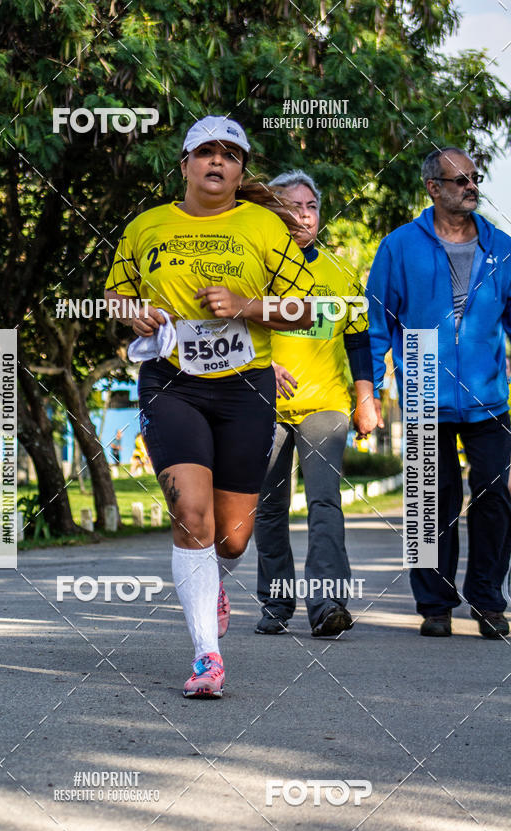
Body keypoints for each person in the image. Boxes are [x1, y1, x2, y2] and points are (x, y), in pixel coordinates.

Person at [104, 116, 316, 696]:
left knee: (233, 538)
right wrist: (131, 313)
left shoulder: (265, 227)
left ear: (241, 169)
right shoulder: (147, 227)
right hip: (171, 382)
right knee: (190, 515)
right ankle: (206, 656)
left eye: (230, 155)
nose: (216, 163)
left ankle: (212, 582)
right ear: (185, 163)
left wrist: (247, 304)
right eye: (205, 153)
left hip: (246, 387)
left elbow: (306, 311)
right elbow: (114, 293)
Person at [368, 147, 511, 639]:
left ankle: (489, 601)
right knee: (430, 501)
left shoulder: (503, 247)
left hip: (490, 398)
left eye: (474, 177)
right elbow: (376, 327)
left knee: (495, 496)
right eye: (459, 180)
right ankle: (434, 604)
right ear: (433, 188)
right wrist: (369, 393)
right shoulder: (399, 246)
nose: (471, 186)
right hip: (426, 389)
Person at [254, 171, 377, 637]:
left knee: (324, 500)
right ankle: (276, 603)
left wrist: (366, 399)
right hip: (264, 405)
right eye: (293, 206)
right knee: (268, 506)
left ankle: (327, 605)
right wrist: (261, 370)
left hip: (325, 404)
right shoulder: (257, 267)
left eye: (311, 206)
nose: (303, 215)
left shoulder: (339, 271)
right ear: (274, 211)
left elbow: (359, 340)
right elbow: (233, 329)